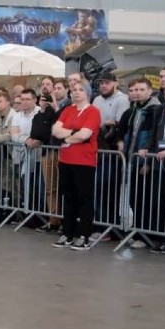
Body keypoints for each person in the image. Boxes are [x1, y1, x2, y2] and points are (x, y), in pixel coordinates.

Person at [51, 80, 101, 250]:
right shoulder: (68, 110)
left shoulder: (93, 111)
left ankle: (84, 235)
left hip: (84, 162)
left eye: (81, 90)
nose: (76, 92)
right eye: (74, 90)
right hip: (65, 160)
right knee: (69, 198)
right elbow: (55, 130)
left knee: (84, 199)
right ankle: (68, 233)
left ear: (87, 93)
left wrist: (66, 138)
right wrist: (73, 134)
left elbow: (86, 134)